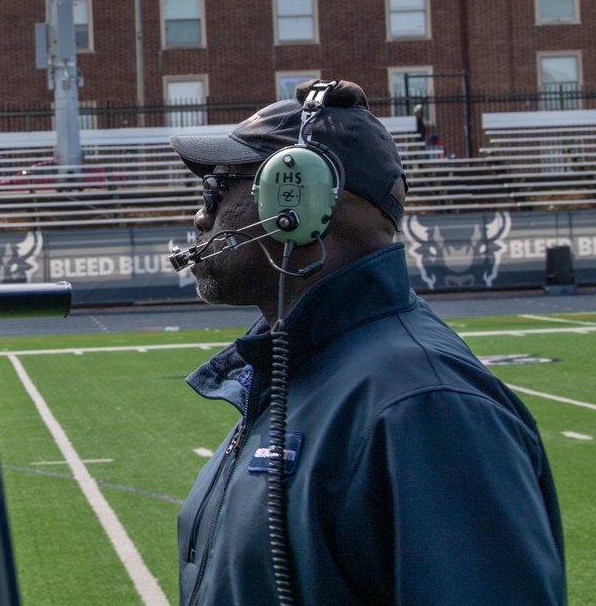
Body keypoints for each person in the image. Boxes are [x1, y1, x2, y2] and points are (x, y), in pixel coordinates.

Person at [168, 79, 566, 605]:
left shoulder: (424, 407)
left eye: (218, 188)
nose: (202, 217)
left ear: (300, 197)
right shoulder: (300, 371)